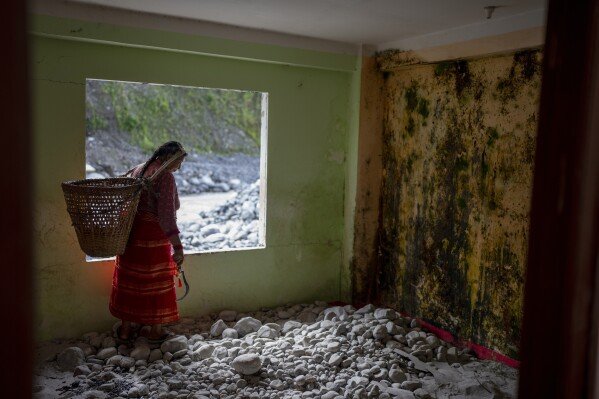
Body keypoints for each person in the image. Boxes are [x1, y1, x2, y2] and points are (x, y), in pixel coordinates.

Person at [109, 141, 187, 342]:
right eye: (179, 162)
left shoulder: (138, 170)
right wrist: (178, 247)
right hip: (153, 239)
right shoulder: (165, 177)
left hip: (131, 236)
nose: (179, 167)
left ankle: (126, 330)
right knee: (156, 283)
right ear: (171, 159)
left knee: (131, 281)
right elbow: (167, 216)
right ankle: (155, 331)